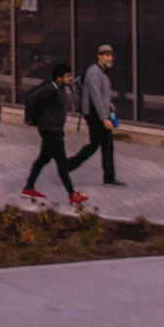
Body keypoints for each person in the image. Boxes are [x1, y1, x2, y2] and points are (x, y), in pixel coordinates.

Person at [20, 65, 83, 206]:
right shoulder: (50, 88)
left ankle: (28, 188)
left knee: (43, 158)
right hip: (50, 130)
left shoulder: (59, 89)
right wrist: (28, 118)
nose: (70, 78)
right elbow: (30, 97)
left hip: (53, 129)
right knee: (62, 162)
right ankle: (72, 194)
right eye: (67, 76)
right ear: (59, 78)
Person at [76, 42, 124, 189]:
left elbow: (103, 94)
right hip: (94, 114)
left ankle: (109, 178)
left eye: (110, 55)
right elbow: (96, 97)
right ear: (99, 56)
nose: (109, 58)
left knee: (103, 145)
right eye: (106, 55)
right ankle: (67, 166)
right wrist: (104, 118)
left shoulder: (102, 71)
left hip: (99, 112)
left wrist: (109, 104)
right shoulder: (94, 73)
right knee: (97, 145)